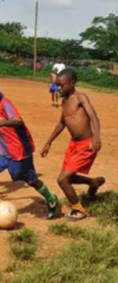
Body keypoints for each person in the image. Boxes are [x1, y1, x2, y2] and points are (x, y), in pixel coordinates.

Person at [0, 79, 59, 226]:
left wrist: (1, 123)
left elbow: (18, 120)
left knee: (31, 180)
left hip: (18, 151)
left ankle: (52, 199)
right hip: (1, 150)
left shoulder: (5, 103)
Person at [41, 69, 105, 221]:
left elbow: (94, 117)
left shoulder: (80, 98)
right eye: (57, 85)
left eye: (61, 85)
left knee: (62, 180)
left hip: (86, 145)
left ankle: (79, 209)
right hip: (74, 145)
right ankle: (93, 182)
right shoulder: (64, 102)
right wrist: (48, 142)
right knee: (69, 178)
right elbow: (62, 123)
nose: (58, 88)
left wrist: (96, 137)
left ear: (72, 83)